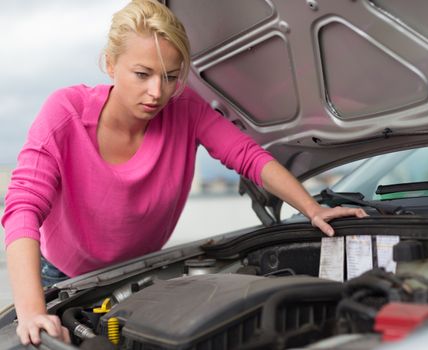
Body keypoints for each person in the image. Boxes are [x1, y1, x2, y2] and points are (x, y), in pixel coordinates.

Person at [1, 0, 367, 346]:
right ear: (110, 64)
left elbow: (247, 156)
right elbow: (22, 208)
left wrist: (312, 209)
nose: (157, 92)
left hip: (139, 274)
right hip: (63, 278)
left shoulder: (185, 108)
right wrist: (31, 312)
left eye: (171, 76)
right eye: (142, 74)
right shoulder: (64, 112)